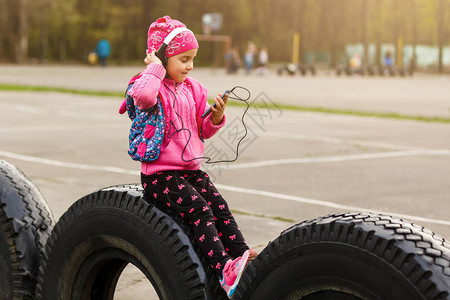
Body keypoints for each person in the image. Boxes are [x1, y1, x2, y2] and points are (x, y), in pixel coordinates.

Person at [118, 16, 257, 298]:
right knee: (199, 210)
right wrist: (155, 68)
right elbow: (143, 98)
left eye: (192, 58)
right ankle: (223, 269)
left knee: (218, 205)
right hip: (160, 175)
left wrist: (216, 116)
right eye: (183, 59)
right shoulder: (149, 84)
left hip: (190, 171)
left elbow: (202, 129)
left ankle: (242, 256)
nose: (190, 65)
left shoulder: (194, 89)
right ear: (162, 57)